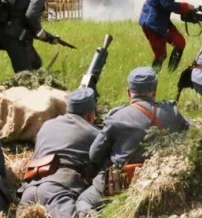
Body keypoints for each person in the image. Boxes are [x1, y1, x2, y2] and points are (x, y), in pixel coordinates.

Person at [76, 68, 189, 216]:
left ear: (129, 92)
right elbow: (189, 133)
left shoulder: (117, 117)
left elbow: (94, 154)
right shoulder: (172, 113)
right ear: (154, 91)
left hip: (123, 185)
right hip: (163, 185)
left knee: (84, 202)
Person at [17, 87, 100, 218]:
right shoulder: (94, 133)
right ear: (91, 115)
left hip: (30, 191)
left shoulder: (46, 125)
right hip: (57, 192)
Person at [0, 0, 64, 72]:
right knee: (24, 72)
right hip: (13, 35)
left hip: (15, 34)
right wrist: (41, 34)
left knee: (36, 64)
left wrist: (49, 37)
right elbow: (31, 15)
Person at [138, 0, 195, 72]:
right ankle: (152, 77)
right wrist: (186, 6)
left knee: (180, 42)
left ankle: (171, 72)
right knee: (160, 55)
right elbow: (167, 5)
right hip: (153, 23)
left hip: (161, 22)